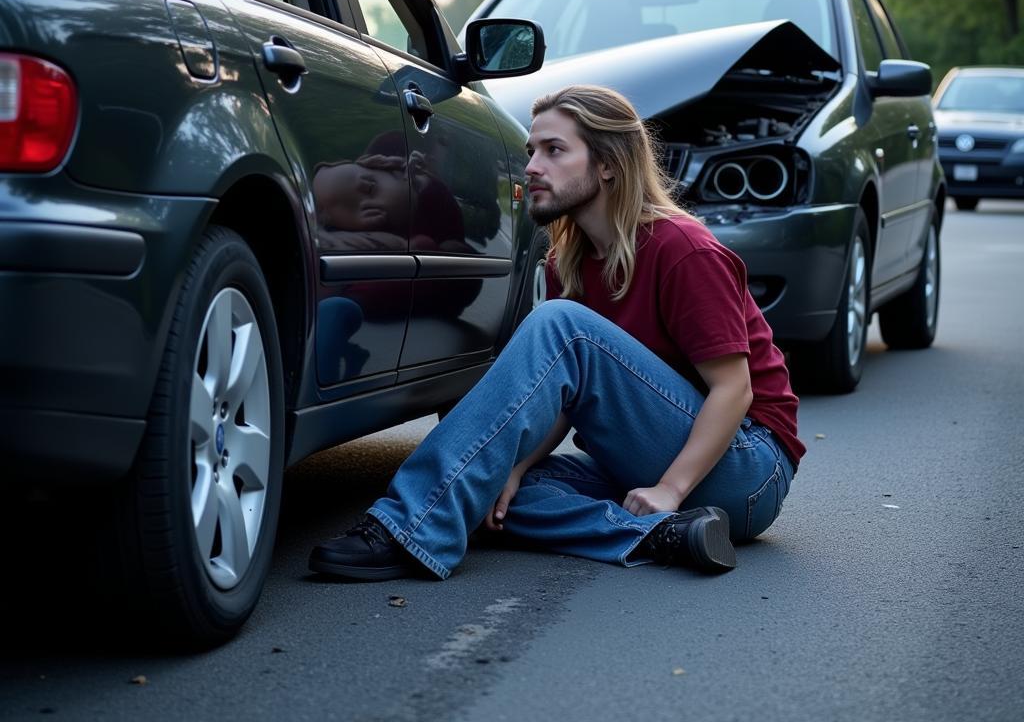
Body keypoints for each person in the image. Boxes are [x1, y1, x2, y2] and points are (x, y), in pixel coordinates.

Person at [308, 85, 804, 580]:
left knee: (559, 325)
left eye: (554, 150)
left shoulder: (682, 249)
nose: (531, 167)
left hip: (748, 469)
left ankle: (407, 526)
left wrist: (670, 490)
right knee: (492, 494)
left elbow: (733, 389)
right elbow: (563, 397)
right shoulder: (568, 263)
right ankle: (665, 535)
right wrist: (514, 468)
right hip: (646, 464)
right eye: (531, 151)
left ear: (608, 164)